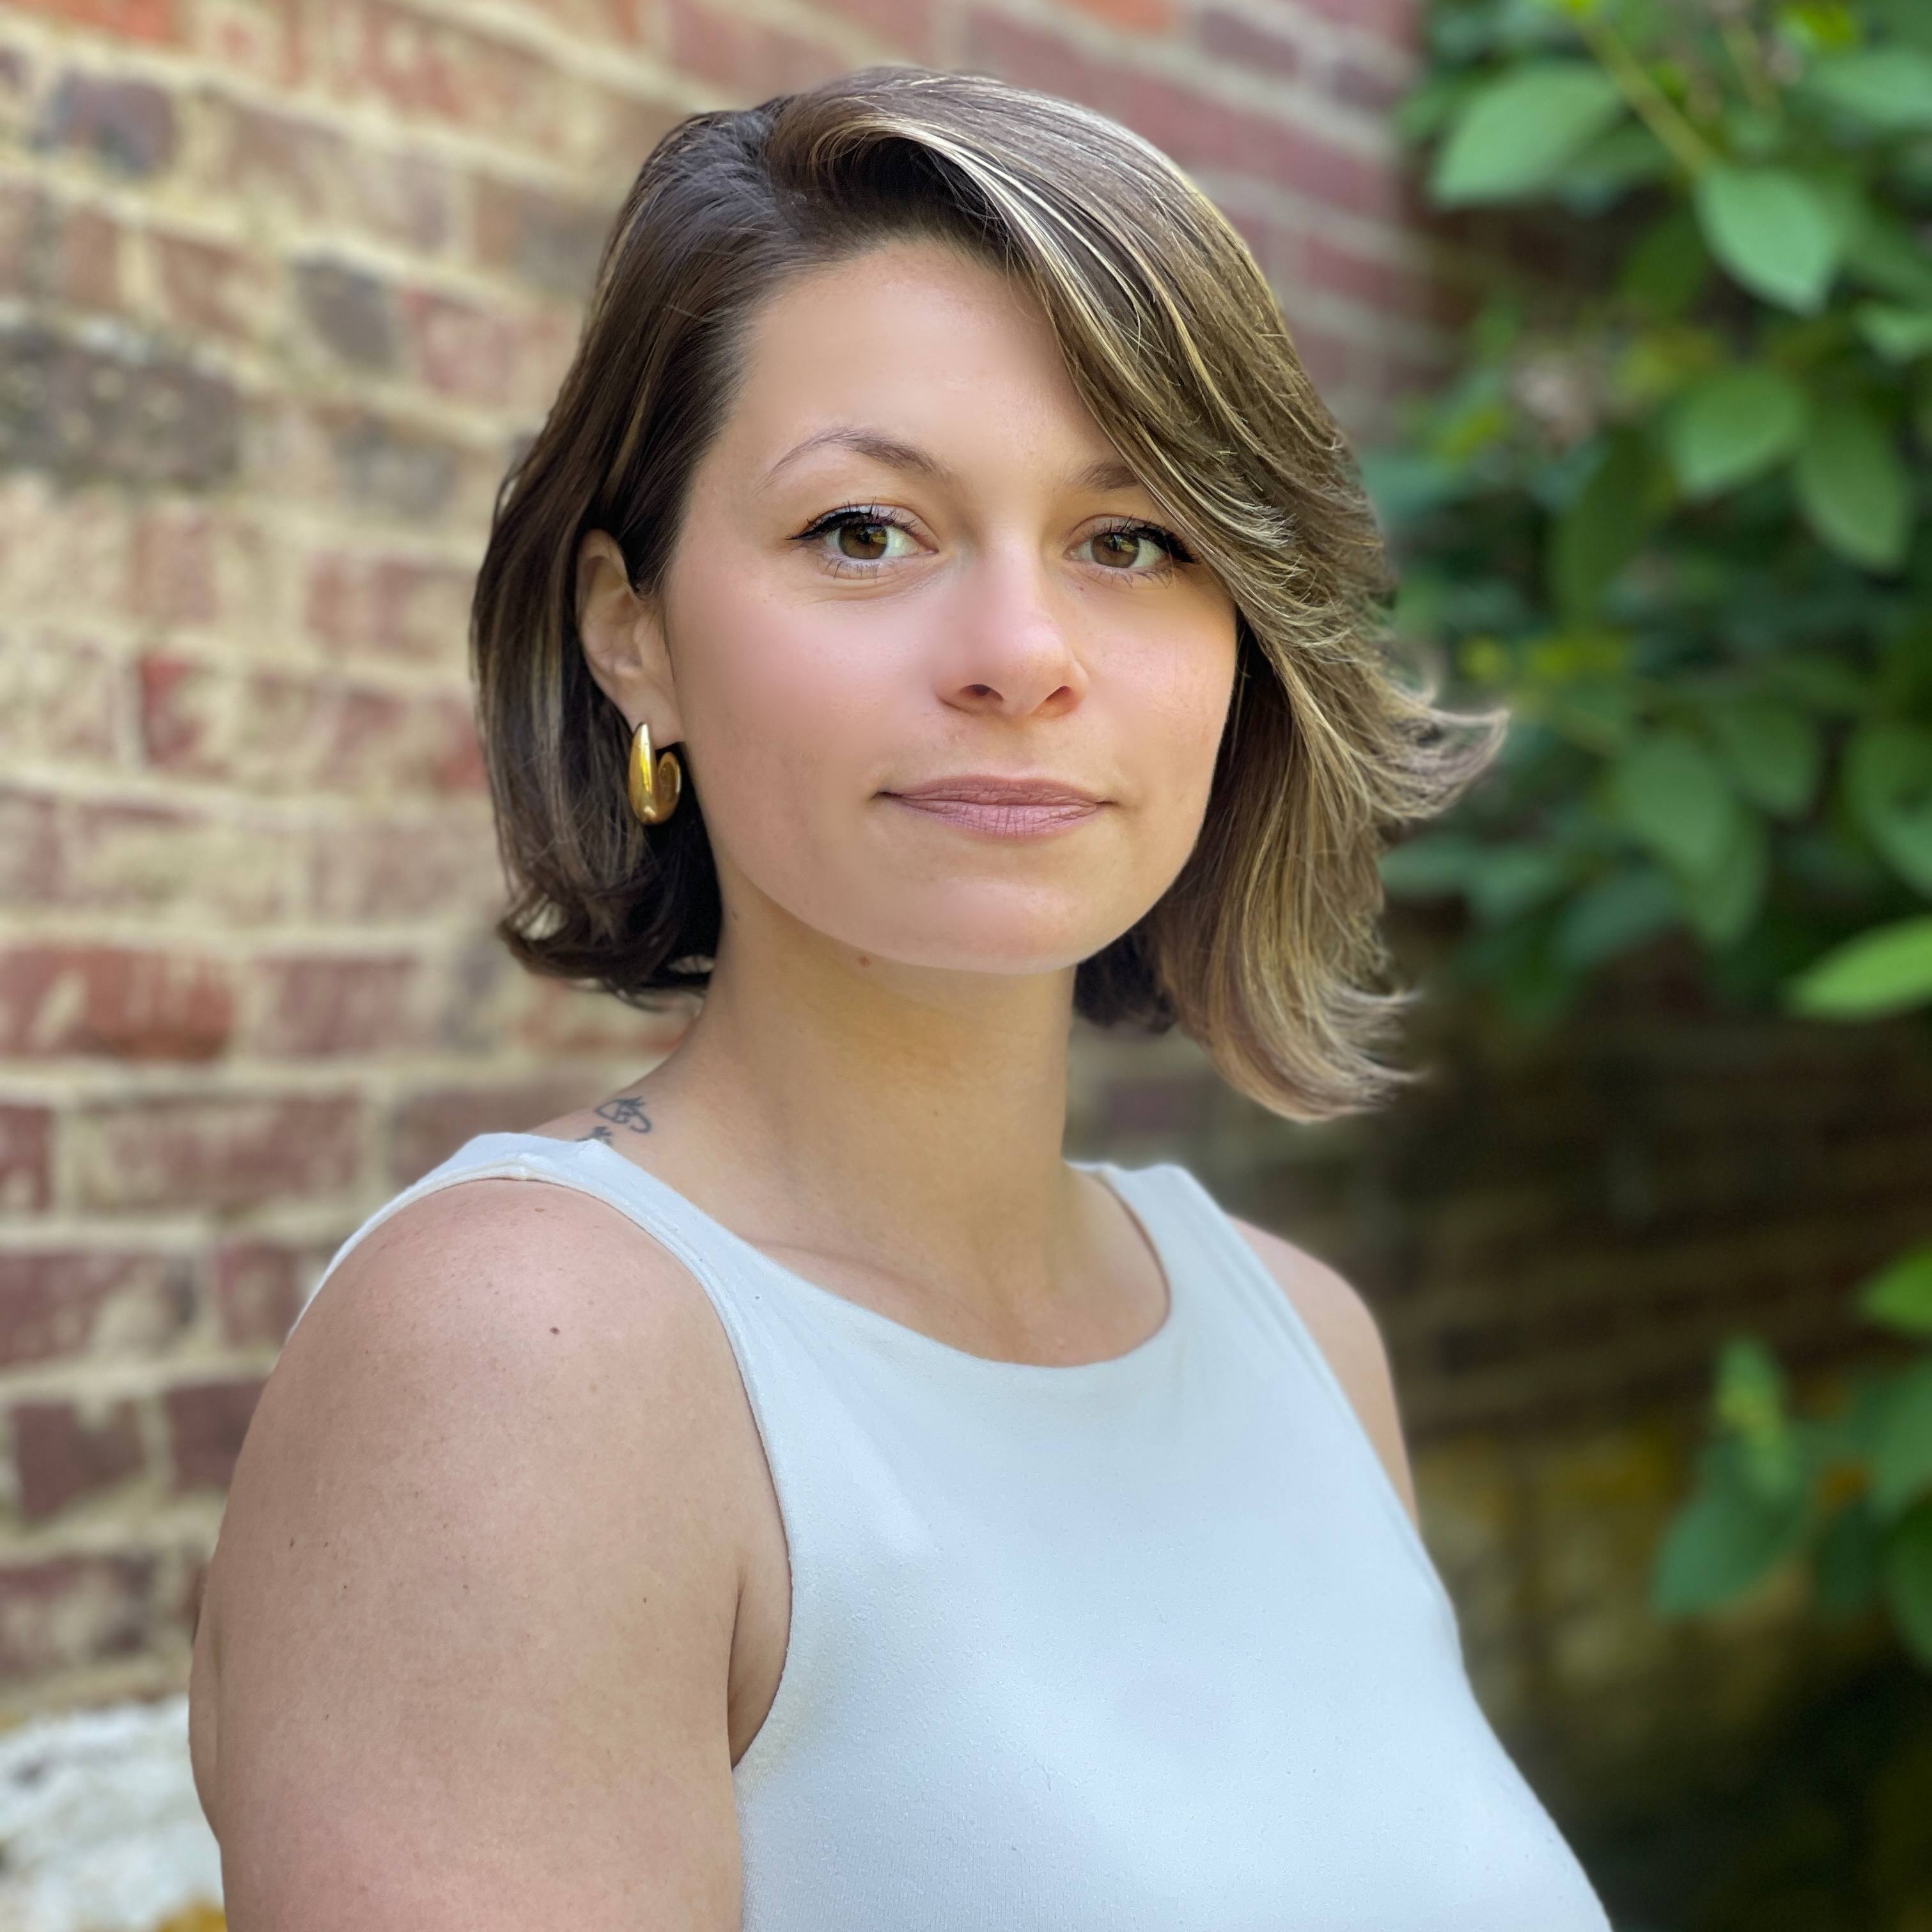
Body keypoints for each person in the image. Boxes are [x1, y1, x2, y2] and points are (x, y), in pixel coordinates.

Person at [190, 65, 1611, 1931]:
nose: (1022, 655)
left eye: (1133, 540)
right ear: (633, 633)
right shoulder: (525, 1358)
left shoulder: (1302, 1337)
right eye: (866, 530)